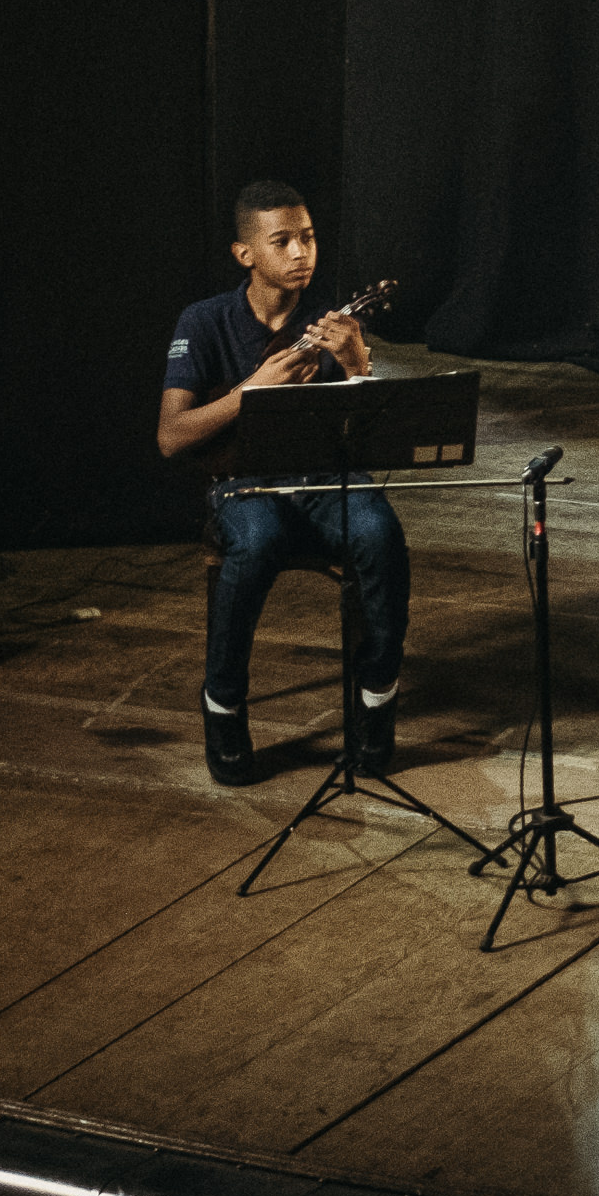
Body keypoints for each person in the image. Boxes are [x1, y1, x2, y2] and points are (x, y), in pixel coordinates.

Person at [159, 180, 410, 787]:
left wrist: (356, 366)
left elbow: (370, 439)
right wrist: (253, 392)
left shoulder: (331, 323)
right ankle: (223, 705)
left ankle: (376, 703)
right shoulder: (205, 321)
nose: (301, 252)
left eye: (309, 237)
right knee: (257, 542)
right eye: (282, 241)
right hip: (243, 484)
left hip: (326, 479)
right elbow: (172, 436)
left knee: (381, 536)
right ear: (246, 254)